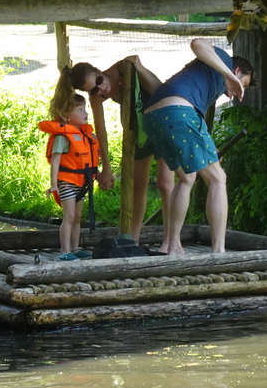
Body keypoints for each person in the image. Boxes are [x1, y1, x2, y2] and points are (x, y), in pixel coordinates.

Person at [142, 38, 255, 255]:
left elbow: (195, 126)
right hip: (179, 111)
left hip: (155, 118)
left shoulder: (208, 81)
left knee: (187, 177)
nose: (238, 92)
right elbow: (197, 43)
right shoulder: (223, 60)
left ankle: (173, 246)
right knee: (218, 179)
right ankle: (219, 252)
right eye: (244, 83)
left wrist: (211, 151)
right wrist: (229, 75)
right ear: (238, 69)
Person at [59, 57, 175, 251]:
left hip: (160, 120)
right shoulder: (96, 96)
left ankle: (170, 240)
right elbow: (101, 131)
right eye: (93, 90)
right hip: (135, 128)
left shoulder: (123, 69)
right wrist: (106, 167)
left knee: (165, 183)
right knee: (137, 184)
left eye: (99, 82)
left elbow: (159, 89)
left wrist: (139, 67)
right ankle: (133, 239)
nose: (100, 90)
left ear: (99, 71)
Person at [38, 92, 100, 261]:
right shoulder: (62, 137)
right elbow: (56, 162)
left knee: (78, 217)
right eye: (80, 110)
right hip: (66, 182)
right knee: (70, 216)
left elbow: (90, 161)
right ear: (66, 116)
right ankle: (65, 251)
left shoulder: (86, 136)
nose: (85, 113)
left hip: (82, 183)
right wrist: (53, 184)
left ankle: (75, 248)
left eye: (85, 109)